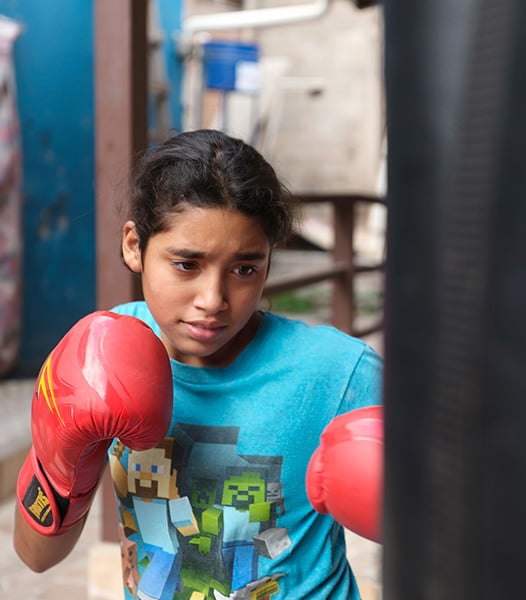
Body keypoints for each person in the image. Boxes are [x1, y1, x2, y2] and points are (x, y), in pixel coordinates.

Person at [14, 129, 384, 600]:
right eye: (187, 265)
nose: (213, 300)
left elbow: (466, 513)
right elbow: (35, 557)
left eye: (245, 269)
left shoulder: (337, 373)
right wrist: (64, 463)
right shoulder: (99, 353)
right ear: (134, 246)